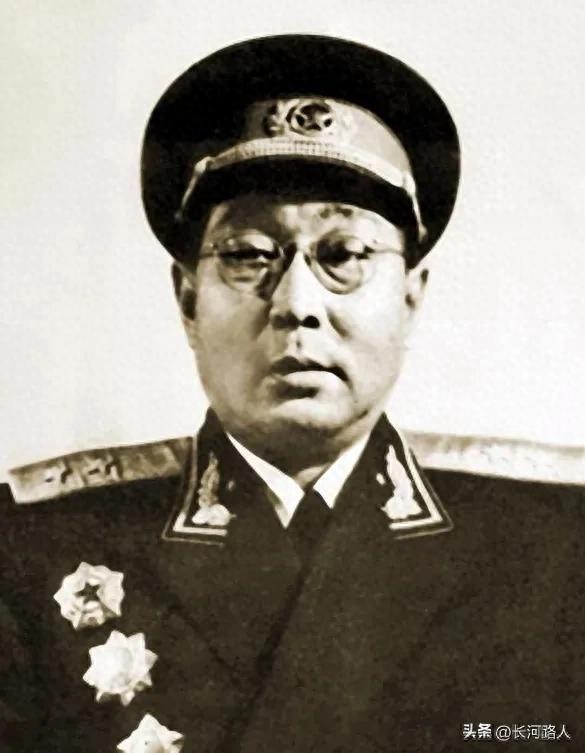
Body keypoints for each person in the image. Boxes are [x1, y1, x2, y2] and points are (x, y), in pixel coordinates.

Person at [1, 34, 584, 753]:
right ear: (188, 301)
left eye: (344, 255)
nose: (297, 304)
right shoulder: (32, 550)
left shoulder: (556, 547)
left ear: (410, 297)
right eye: (248, 255)